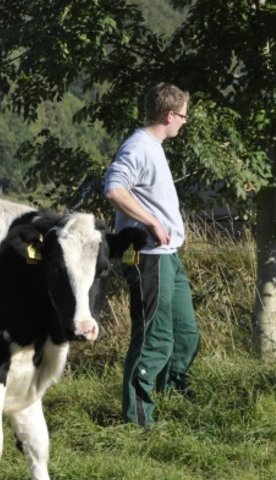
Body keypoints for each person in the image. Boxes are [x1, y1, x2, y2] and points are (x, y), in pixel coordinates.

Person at [103, 82, 201, 427]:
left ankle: (173, 399)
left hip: (169, 255)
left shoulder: (153, 147)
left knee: (186, 335)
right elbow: (114, 189)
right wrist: (151, 222)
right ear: (169, 115)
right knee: (154, 339)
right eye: (184, 117)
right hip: (149, 256)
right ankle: (139, 420)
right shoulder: (139, 147)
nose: (184, 123)